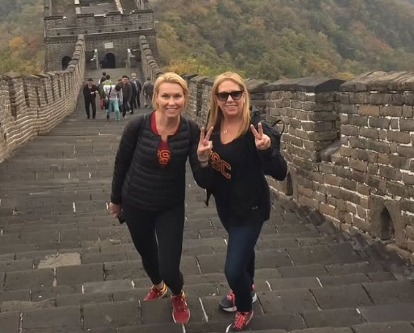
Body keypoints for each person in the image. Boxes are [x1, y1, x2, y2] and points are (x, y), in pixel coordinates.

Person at [108, 72, 211, 325]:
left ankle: (177, 293)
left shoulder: (190, 130)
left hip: (170, 205)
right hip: (136, 202)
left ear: (185, 99)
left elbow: (201, 180)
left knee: (168, 265)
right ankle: (158, 286)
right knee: (147, 254)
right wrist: (115, 200)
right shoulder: (138, 126)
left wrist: (204, 158)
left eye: (177, 96)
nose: (171, 102)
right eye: (166, 96)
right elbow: (121, 164)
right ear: (156, 98)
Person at [197, 72, 287, 332]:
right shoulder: (213, 128)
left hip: (251, 208)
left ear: (244, 94)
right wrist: (203, 160)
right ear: (216, 98)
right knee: (244, 252)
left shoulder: (255, 128)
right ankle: (247, 289)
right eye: (223, 94)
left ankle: (245, 308)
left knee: (233, 270)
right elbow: (205, 180)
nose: (230, 99)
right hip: (225, 207)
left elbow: (280, 172)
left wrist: (266, 149)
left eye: (235, 93)